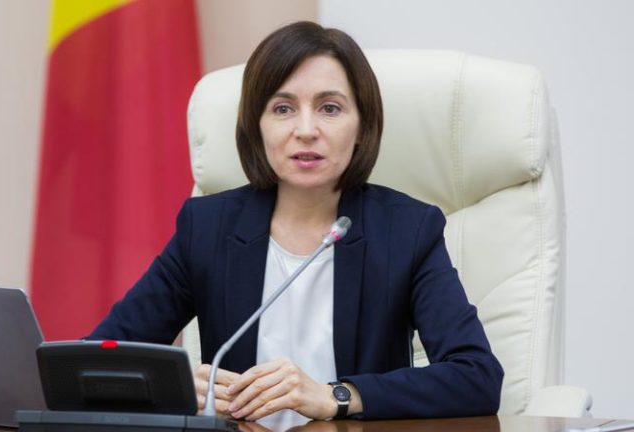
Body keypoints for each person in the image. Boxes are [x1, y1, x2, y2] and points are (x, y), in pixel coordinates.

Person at [89, 21, 504, 423]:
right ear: (257, 126)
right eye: (283, 108)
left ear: (362, 126)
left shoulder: (407, 231)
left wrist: (337, 395)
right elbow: (93, 364)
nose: (306, 130)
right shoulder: (207, 228)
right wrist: (170, 388)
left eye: (329, 108)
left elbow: (477, 377)